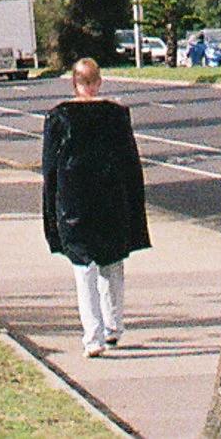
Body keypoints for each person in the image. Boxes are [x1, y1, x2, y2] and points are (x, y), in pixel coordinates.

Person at [41, 56, 150, 357]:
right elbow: (130, 161)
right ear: (95, 82)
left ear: (75, 84)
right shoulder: (115, 115)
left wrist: (51, 207)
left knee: (83, 269)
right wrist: (133, 202)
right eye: (89, 82)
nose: (89, 87)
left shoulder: (60, 117)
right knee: (111, 265)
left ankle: (93, 336)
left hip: (74, 200)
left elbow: (49, 167)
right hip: (110, 198)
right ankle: (113, 327)